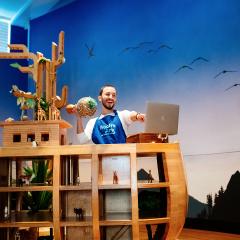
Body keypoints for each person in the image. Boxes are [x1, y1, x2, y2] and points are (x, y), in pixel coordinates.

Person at [75, 84, 145, 144]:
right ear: (100, 98)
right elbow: (82, 140)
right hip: (102, 159)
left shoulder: (121, 115)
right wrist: (79, 117)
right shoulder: (92, 122)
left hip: (123, 158)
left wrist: (137, 116)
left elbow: (131, 115)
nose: (111, 97)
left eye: (113, 95)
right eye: (107, 94)